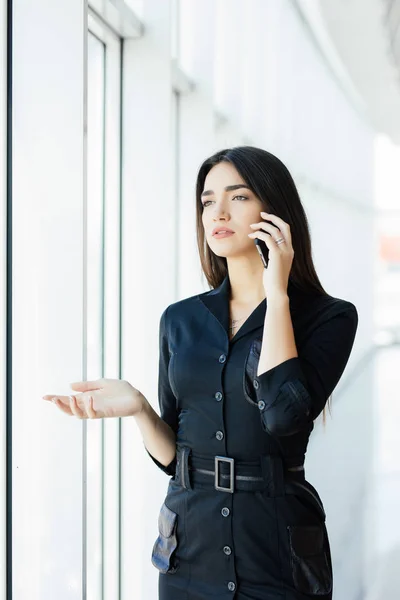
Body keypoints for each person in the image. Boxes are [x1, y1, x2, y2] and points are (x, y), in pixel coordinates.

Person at [43, 146, 358, 600]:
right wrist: (139, 408)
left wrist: (277, 295)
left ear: (276, 211)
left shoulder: (328, 318)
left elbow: (283, 417)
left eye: (239, 197)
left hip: (276, 552)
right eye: (208, 201)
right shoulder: (180, 320)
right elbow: (176, 459)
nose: (218, 212)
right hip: (189, 551)